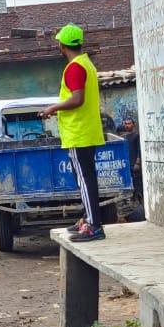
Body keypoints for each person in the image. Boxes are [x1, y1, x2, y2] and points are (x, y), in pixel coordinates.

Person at [42, 23, 105, 242]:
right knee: (86, 177)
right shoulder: (86, 63)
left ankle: (94, 225)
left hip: (79, 132)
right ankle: (88, 218)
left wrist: (53, 108)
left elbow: (78, 99)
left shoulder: (75, 67)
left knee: (85, 179)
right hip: (86, 129)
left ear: (62, 45)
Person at [121, 117, 142, 203]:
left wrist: (138, 162)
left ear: (133, 124)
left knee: (136, 183)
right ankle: (131, 199)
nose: (127, 125)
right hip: (126, 164)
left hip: (134, 164)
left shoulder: (136, 136)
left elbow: (139, 149)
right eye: (126, 124)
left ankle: (139, 199)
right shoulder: (124, 137)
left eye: (129, 124)